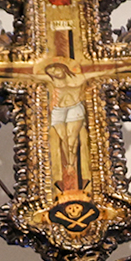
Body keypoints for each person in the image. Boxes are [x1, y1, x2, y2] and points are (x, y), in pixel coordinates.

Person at [44, 62, 88, 192]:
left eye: (55, 68)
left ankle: (71, 164)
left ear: (62, 66)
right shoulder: (52, 82)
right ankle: (68, 164)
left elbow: (100, 72)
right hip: (58, 110)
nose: (55, 72)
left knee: (71, 138)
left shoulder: (79, 78)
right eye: (51, 72)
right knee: (63, 138)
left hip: (75, 107)